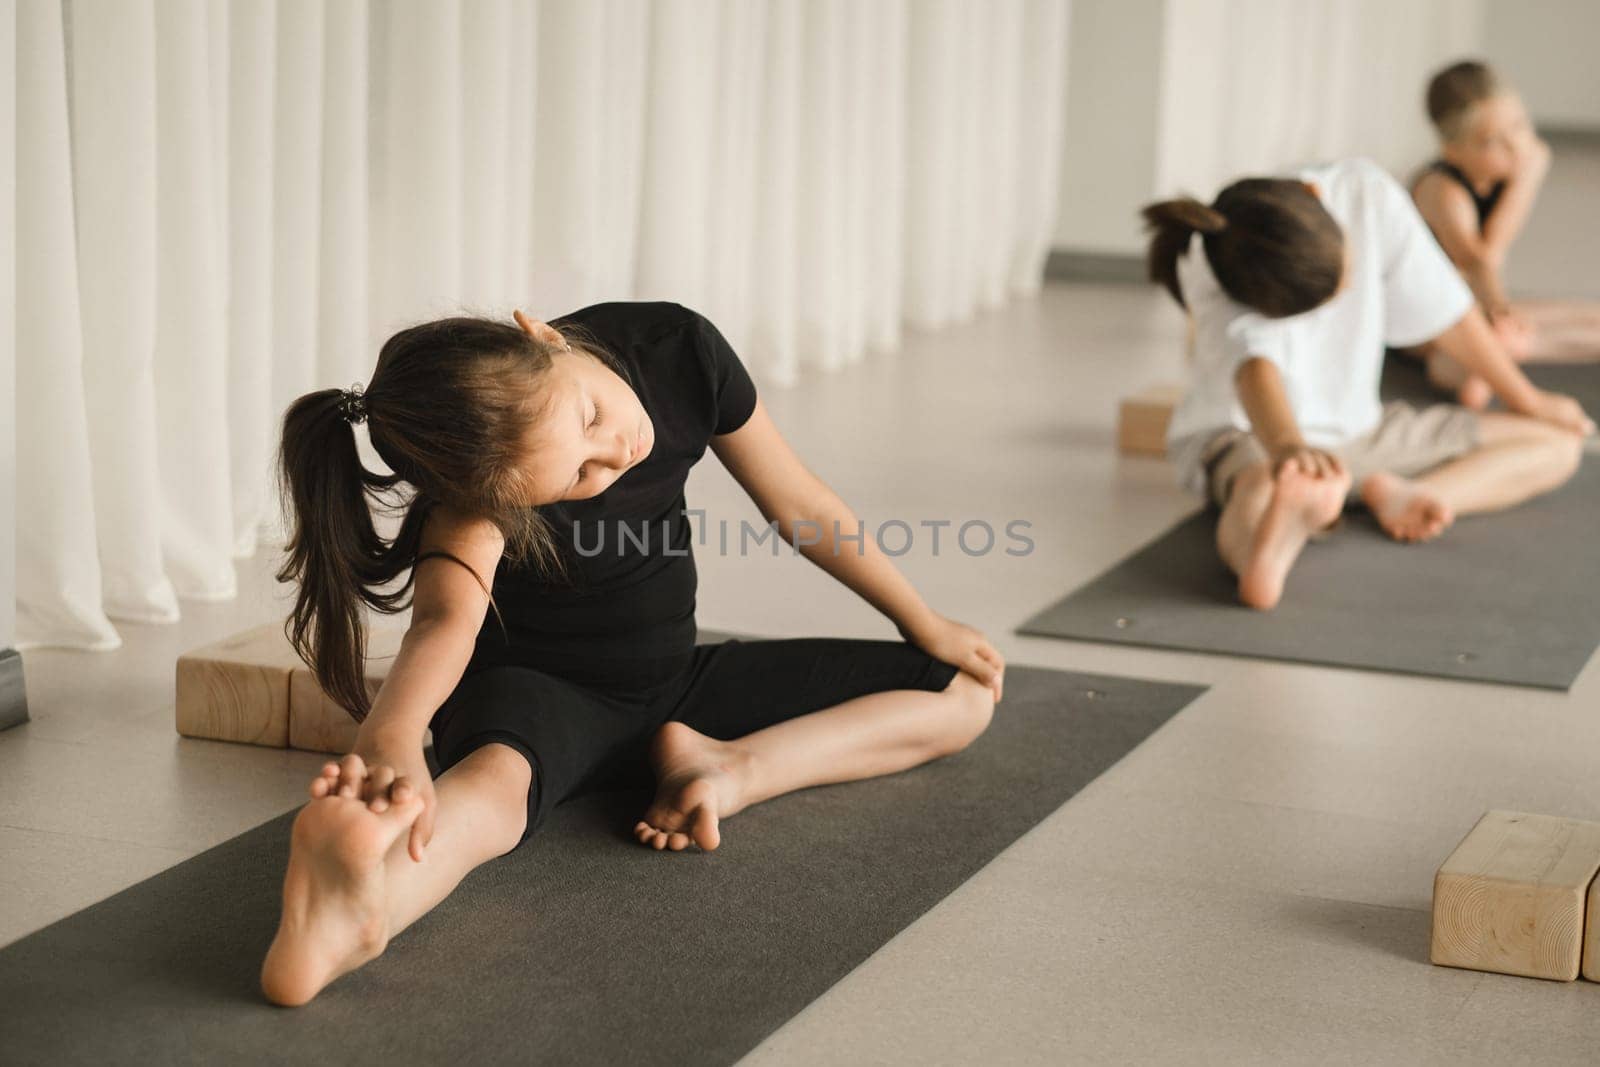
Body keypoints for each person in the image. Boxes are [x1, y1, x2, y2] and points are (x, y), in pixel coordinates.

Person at [260, 302, 1004, 1006]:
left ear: (543, 335)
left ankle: (730, 766)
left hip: (677, 683)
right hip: (542, 699)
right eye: (576, 478)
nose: (613, 450)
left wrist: (922, 618)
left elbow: (801, 508)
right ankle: (354, 915)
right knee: (485, 801)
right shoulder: (478, 484)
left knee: (961, 694)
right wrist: (393, 730)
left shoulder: (677, 351)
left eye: (588, 418)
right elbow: (446, 618)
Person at [1142, 157, 1592, 610]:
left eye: (1346, 275)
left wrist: (1530, 400)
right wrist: (1288, 452)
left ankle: (1414, 495)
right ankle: (1263, 554)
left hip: (1361, 431)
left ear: (1320, 203)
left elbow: (1450, 314)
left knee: (1558, 446)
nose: (1349, 287)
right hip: (1251, 432)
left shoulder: (1365, 193)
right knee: (1257, 488)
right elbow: (1255, 370)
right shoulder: (1218, 259)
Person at [1411, 59, 1600, 405]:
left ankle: (1493, 358)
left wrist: (1498, 310)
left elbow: (1493, 252)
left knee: (1585, 318)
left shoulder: (1522, 158)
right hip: (1430, 326)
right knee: (1503, 343)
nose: (1515, 147)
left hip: (1473, 300)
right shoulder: (1444, 191)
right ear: (1453, 151)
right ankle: (1480, 368)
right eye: (1492, 141)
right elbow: (1481, 260)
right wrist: (1499, 309)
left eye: (1519, 125)